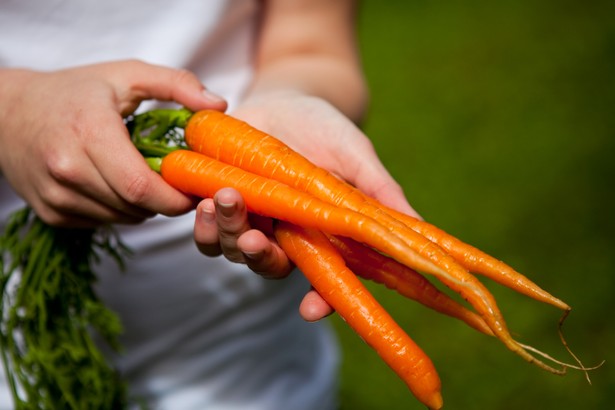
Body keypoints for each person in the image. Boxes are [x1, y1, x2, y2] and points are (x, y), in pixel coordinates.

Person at [0, 0, 418, 408]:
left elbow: (312, 45)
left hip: (255, 362)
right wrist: (12, 111)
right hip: (27, 347)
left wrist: (294, 94)